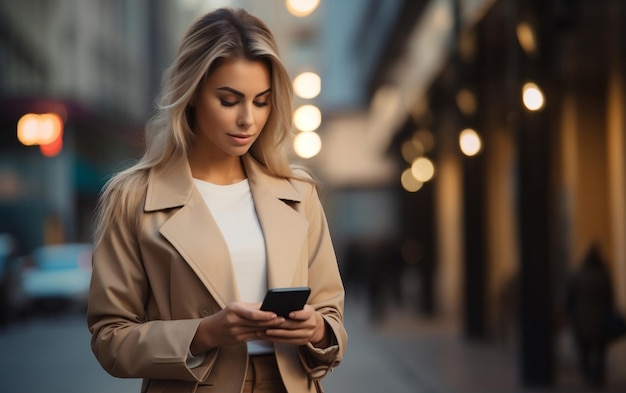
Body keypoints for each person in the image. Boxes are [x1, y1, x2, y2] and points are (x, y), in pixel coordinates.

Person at [87, 8, 347, 393]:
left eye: (261, 101)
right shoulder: (133, 199)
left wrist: (317, 329)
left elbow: (331, 316)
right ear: (191, 95)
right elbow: (110, 338)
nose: (248, 119)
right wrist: (204, 333)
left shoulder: (298, 193)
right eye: (229, 100)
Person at [565, 245, 614, 388]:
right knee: (599, 351)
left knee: (584, 351)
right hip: (600, 319)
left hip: (581, 319)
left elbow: (570, 298)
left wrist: (571, 314)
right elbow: (609, 298)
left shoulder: (578, 275)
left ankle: (587, 376)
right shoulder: (603, 274)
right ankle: (597, 378)